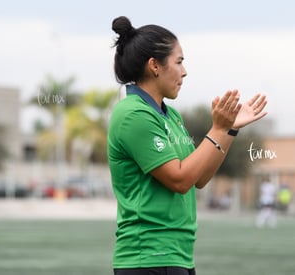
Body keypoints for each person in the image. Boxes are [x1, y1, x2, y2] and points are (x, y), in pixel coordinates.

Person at [107, 16, 268, 275]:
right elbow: (179, 180)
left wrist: (228, 129)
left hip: (177, 256)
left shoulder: (171, 116)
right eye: (179, 62)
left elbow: (199, 177)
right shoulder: (132, 114)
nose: (184, 72)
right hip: (147, 258)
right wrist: (217, 129)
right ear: (154, 66)